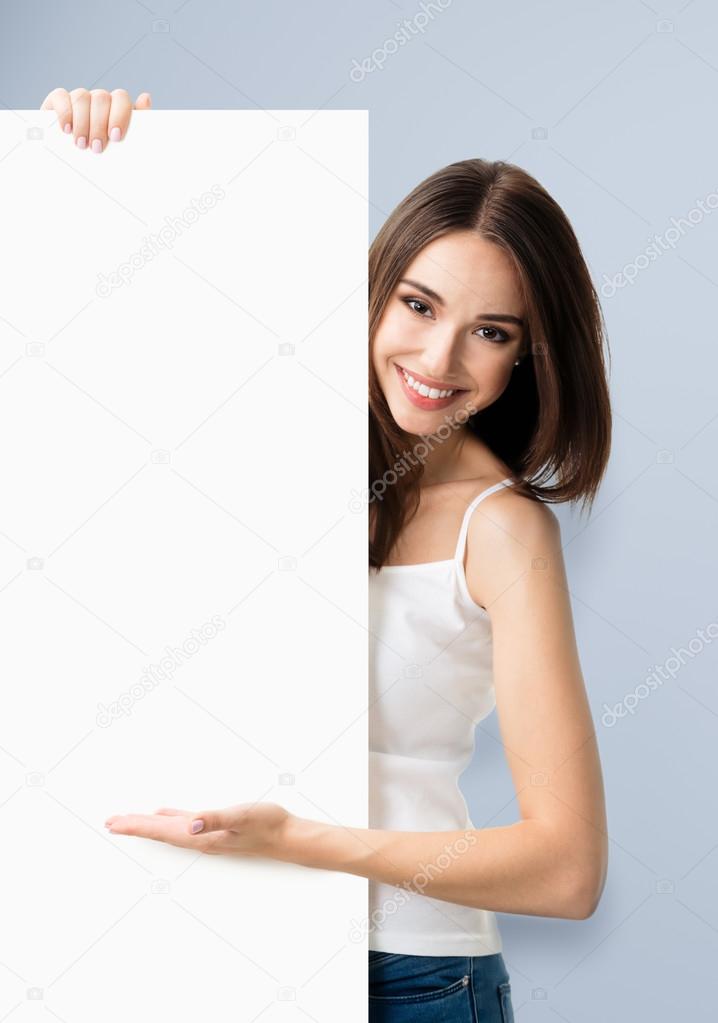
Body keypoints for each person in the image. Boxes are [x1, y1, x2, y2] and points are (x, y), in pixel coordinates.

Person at [41, 88, 610, 1022]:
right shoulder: (250, 446)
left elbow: (568, 869)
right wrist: (89, 142)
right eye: (418, 304)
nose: (440, 355)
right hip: (197, 945)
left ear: (526, 358)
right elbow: (101, 324)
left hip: (413, 974)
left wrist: (299, 840)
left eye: (492, 332)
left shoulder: (502, 529)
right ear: (374, 289)